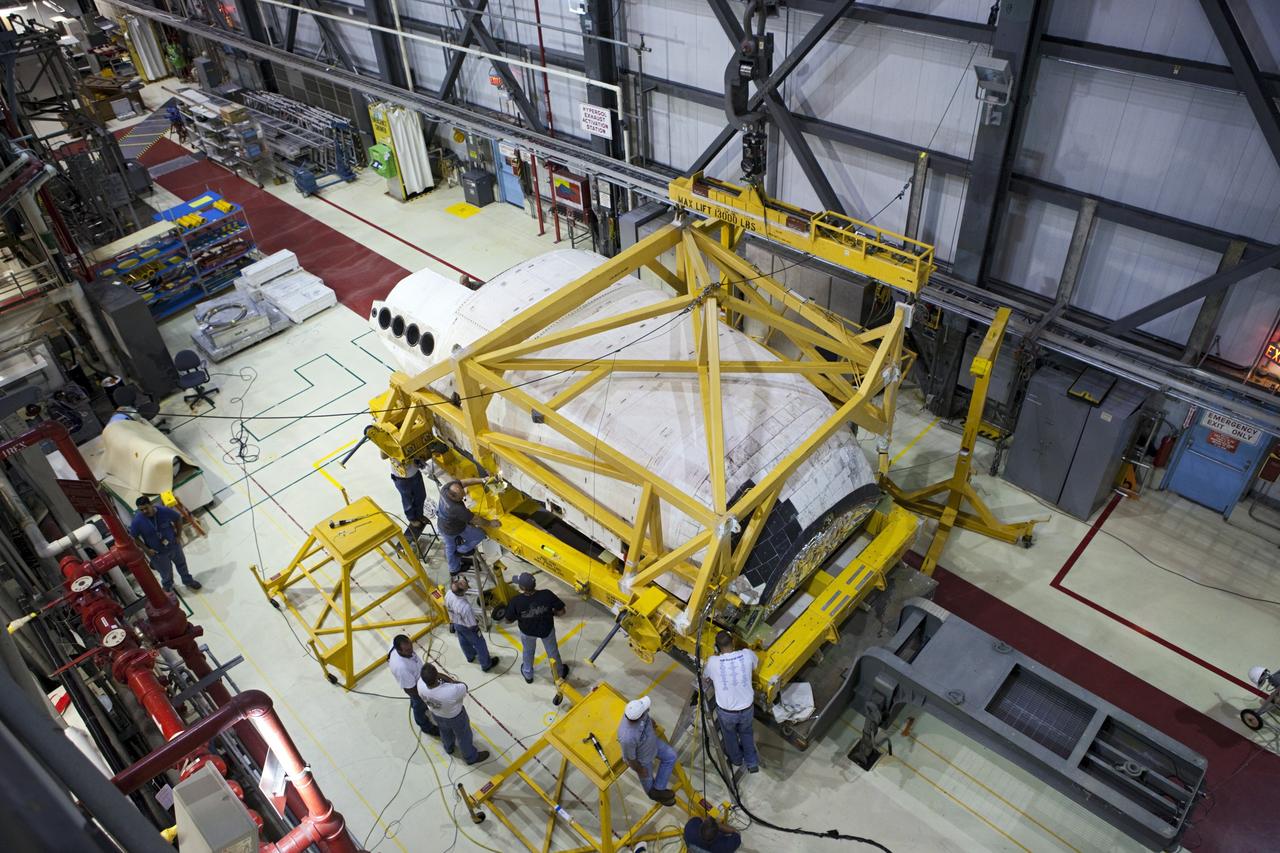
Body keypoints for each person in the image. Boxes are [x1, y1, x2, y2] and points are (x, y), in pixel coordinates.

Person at [702, 630, 760, 773]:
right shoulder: (747, 654)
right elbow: (755, 665)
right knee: (746, 733)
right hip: (747, 709)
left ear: (717, 647)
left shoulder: (713, 662)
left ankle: (736, 760)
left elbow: (705, 676)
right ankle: (752, 763)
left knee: (729, 736)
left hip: (727, 712)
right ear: (733, 643)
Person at [417, 663, 490, 765]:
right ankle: (470, 757)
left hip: (437, 715)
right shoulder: (451, 691)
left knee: (445, 732)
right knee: (463, 736)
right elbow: (464, 686)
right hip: (455, 718)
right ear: (436, 675)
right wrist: (450, 680)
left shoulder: (420, 685)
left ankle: (449, 748)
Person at [505, 572, 568, 684]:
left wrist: (520, 616)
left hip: (527, 632)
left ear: (522, 588)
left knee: (528, 652)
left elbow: (508, 620)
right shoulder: (547, 594)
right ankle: (559, 674)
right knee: (553, 652)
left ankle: (528, 674)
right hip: (547, 630)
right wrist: (551, 613)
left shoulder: (516, 601)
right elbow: (562, 611)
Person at [129, 496, 201, 591]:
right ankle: (167, 587)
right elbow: (134, 537)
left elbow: (178, 518)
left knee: (182, 565)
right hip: (158, 554)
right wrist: (147, 549)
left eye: (146, 508)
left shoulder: (164, 511)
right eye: (141, 510)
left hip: (174, 546)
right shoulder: (137, 521)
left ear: (151, 504)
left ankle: (188, 580)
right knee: (165, 573)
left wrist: (178, 535)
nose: (144, 511)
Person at [618, 695, 677, 806]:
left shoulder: (638, 714)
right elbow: (630, 759)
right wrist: (640, 770)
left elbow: (646, 717)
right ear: (638, 718)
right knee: (649, 788)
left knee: (671, 756)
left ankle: (659, 789)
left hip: (653, 744)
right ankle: (654, 794)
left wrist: (652, 722)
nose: (647, 710)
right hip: (643, 760)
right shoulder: (627, 737)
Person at [436, 478, 500, 576]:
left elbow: (464, 482)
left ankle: (454, 569)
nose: (464, 497)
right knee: (480, 535)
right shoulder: (456, 508)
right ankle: (462, 550)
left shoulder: (446, 489)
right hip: (453, 528)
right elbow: (476, 520)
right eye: (461, 497)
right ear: (454, 497)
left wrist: (482, 480)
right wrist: (490, 523)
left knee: (450, 546)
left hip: (442, 524)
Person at [387, 635, 439, 739]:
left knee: (418, 702)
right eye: (407, 650)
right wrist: (424, 695)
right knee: (418, 705)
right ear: (399, 650)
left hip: (416, 679)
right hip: (415, 689)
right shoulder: (402, 668)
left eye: (411, 646)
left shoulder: (395, 642)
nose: (411, 650)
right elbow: (410, 690)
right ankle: (425, 726)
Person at [445, 575, 498, 672]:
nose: (465, 582)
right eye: (465, 584)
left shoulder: (449, 593)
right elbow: (471, 624)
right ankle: (486, 665)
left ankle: (470, 656)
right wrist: (476, 624)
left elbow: (448, 608)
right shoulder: (465, 607)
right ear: (464, 591)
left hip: (456, 622)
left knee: (463, 639)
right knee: (480, 643)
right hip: (467, 627)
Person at [387, 455, 428, 541]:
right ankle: (412, 518)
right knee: (408, 501)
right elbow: (383, 456)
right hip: (401, 479)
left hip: (415, 474)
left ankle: (419, 515)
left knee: (421, 496)